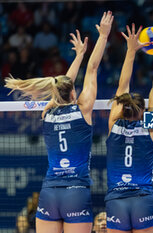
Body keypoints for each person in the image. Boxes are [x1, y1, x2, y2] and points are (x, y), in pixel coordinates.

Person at [5, 11, 113, 233]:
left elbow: (62, 85)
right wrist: (102, 37)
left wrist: (78, 56)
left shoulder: (48, 112)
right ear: (73, 92)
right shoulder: (83, 109)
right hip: (76, 191)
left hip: (50, 192)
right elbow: (92, 70)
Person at [105, 24, 153, 233]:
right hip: (143, 200)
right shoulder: (149, 128)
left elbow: (122, 86)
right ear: (143, 111)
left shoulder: (114, 125)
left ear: (122, 108)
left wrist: (130, 51)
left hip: (116, 200)